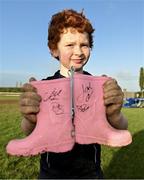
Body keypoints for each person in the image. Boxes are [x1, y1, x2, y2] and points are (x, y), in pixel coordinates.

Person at [20, 9, 128, 179]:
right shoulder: (44, 88)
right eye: (70, 45)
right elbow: (27, 130)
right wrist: (29, 118)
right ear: (54, 49)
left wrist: (114, 114)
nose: (78, 52)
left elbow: (121, 127)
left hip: (91, 173)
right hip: (52, 174)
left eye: (84, 45)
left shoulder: (99, 86)